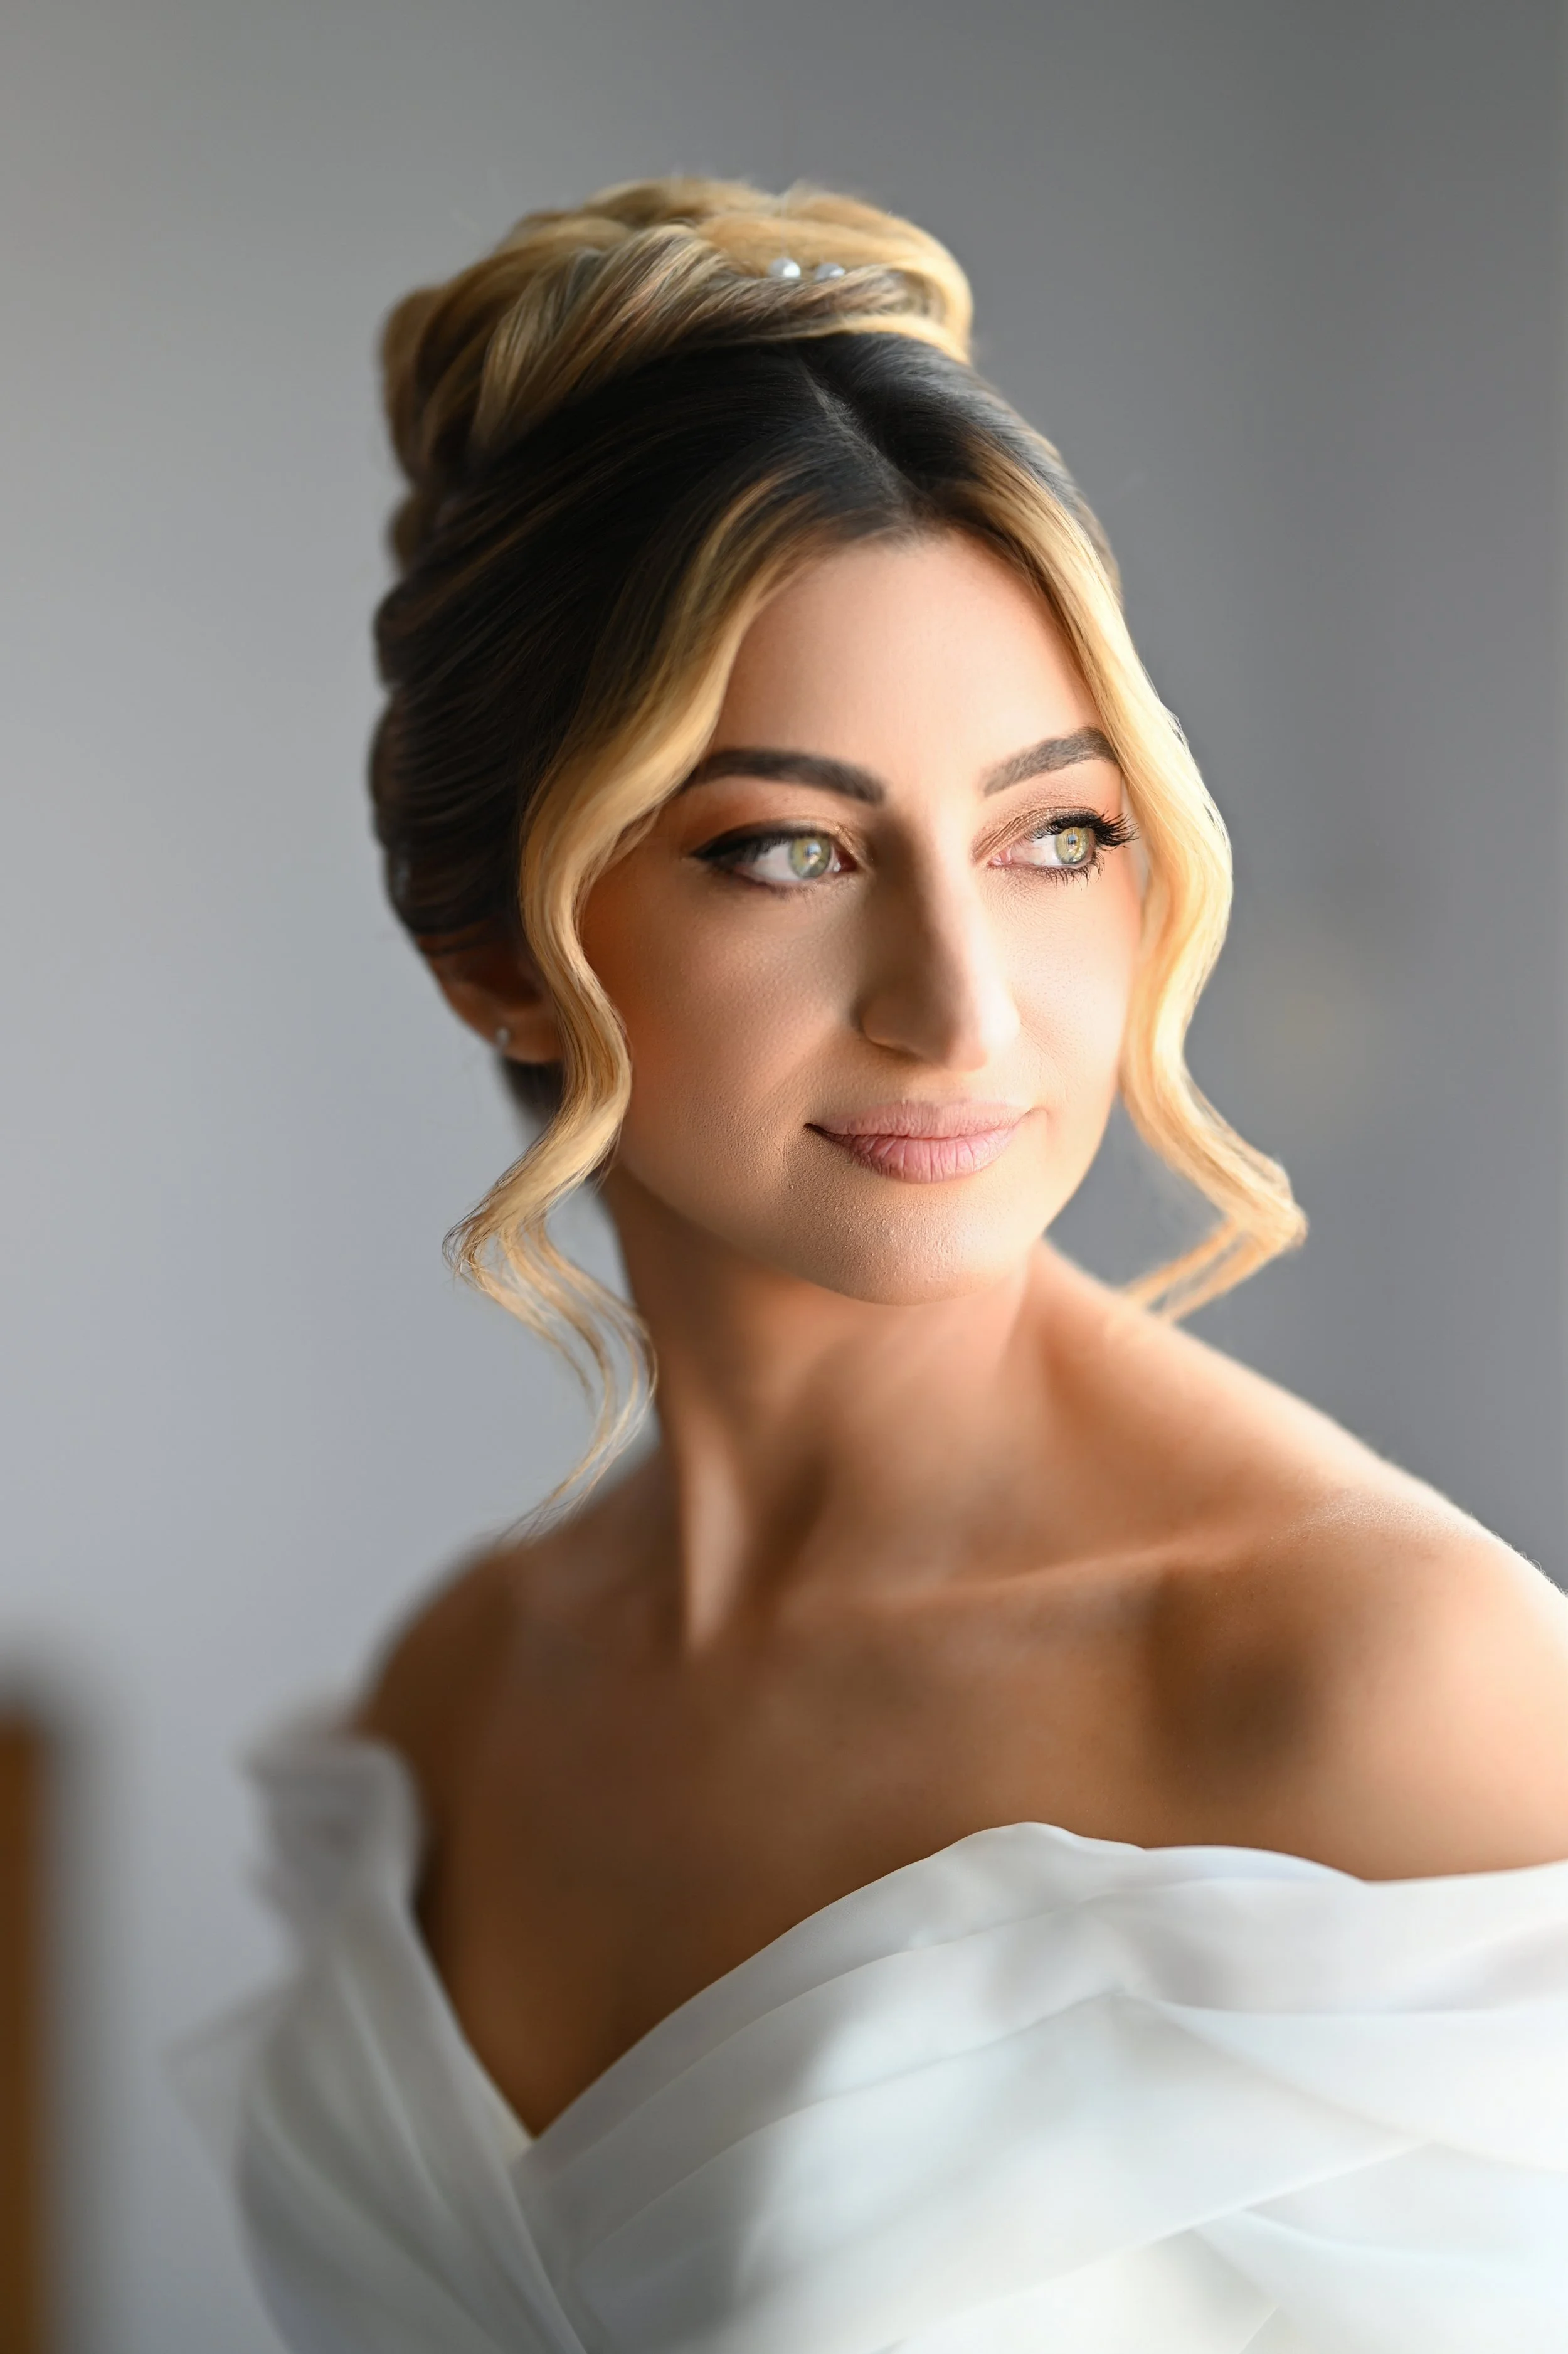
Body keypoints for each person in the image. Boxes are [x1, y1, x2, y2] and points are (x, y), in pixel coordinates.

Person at [181, 178, 1568, 2351]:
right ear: (491, 952)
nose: (959, 1003)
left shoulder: (1376, 1686)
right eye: (787, 849)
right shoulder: (457, 1694)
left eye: (1053, 836)